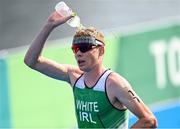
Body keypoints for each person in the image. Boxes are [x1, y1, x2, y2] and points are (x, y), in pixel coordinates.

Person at [24, 11, 157, 128]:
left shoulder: (114, 83)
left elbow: (149, 120)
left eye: (84, 47)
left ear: (101, 50)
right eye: (75, 49)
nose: (78, 53)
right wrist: (49, 25)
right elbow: (31, 61)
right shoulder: (74, 76)